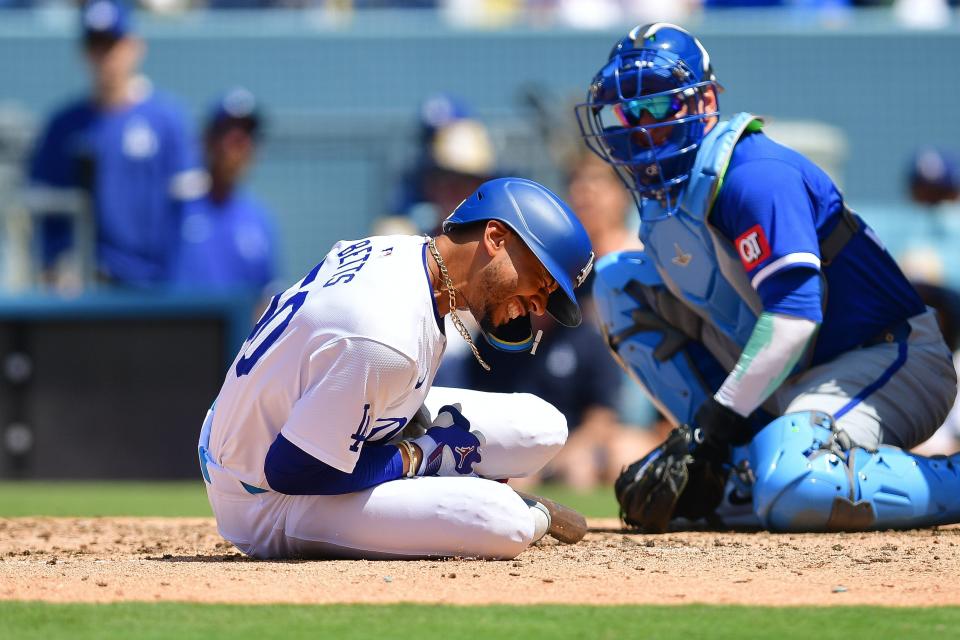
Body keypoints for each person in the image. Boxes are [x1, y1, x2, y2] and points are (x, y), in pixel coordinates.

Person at [576, 23, 960, 533]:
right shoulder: (670, 201)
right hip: (794, 377)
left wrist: (715, 423)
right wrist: (705, 446)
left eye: (656, 107)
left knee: (793, 481)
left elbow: (794, 320)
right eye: (626, 112)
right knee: (616, 283)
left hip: (887, 357)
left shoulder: (755, 174)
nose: (639, 127)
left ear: (703, 102)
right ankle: (734, 463)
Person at [198, 177, 595, 559]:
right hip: (264, 493)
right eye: (541, 282)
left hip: (278, 414)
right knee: (506, 522)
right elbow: (291, 471)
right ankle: (483, 494)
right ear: (495, 238)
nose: (541, 306)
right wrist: (417, 457)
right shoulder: (385, 333)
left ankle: (441, 475)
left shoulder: (403, 253)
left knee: (544, 426)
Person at [27, 0, 205, 287]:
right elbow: (46, 211)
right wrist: (57, 264)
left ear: (135, 46)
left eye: (112, 44)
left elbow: (191, 214)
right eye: (96, 45)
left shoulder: (167, 119)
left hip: (155, 287)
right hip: (87, 289)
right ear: (84, 52)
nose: (105, 56)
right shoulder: (63, 126)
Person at [173, 88, 278, 294]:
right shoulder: (175, 208)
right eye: (228, 133)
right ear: (208, 140)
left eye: (246, 135)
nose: (236, 147)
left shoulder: (260, 220)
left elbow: (267, 298)